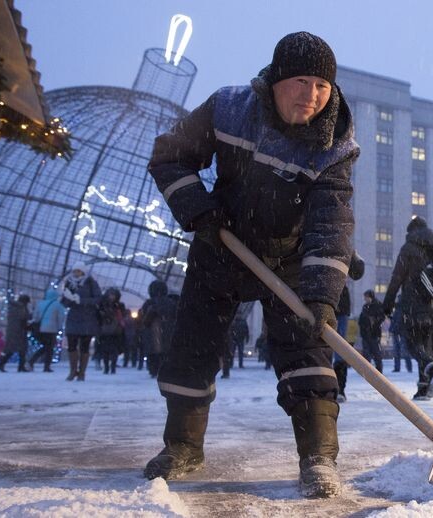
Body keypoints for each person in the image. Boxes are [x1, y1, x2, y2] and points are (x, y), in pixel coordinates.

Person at [144, 32, 358, 498]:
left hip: (290, 257)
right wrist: (197, 207)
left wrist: (321, 295)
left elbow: (331, 222)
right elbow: (168, 155)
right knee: (193, 345)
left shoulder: (334, 144)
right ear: (277, 79)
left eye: (322, 86)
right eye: (301, 81)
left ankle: (319, 457)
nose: (312, 95)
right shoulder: (229, 108)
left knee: (306, 350)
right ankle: (182, 445)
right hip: (221, 241)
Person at [382, 216, 433, 401]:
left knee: (412, 344)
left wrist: (387, 304)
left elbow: (397, 278)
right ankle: (423, 389)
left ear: (410, 232)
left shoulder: (409, 249)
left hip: (414, 306)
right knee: (425, 345)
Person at [332, 253, 365, 403]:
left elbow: (357, 272)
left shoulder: (340, 238)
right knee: (319, 348)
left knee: (340, 349)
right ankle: (325, 388)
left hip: (339, 303)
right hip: (317, 298)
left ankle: (339, 388)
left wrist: (354, 255)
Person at [59, 263, 102, 381]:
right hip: (73, 318)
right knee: (72, 345)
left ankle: (82, 372)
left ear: (83, 272)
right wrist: (67, 299)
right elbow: (65, 302)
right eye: (74, 271)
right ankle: (73, 371)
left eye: (78, 271)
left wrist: (81, 300)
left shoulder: (90, 283)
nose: (76, 273)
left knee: (84, 346)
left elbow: (98, 299)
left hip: (88, 319)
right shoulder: (70, 283)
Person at [140, 280, 177, 378]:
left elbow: (143, 318)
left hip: (152, 330)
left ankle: (153, 370)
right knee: (165, 352)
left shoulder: (149, 303)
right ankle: (164, 369)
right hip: (167, 331)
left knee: (153, 352)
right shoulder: (170, 303)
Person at [28, 287, 67, 372]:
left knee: (46, 347)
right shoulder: (58, 305)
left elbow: (36, 317)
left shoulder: (40, 303)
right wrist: (59, 327)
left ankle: (32, 361)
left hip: (41, 329)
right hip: (52, 329)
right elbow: (61, 317)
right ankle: (45, 366)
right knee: (49, 348)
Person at [0, 294, 31, 373]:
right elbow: (23, 319)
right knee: (21, 350)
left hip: (12, 330)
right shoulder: (21, 308)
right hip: (19, 331)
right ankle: (19, 366)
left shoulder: (13, 307)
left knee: (12, 349)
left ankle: (2, 364)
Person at [97, 288, 126, 375]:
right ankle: (106, 367)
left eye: (113, 295)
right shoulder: (103, 304)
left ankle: (112, 367)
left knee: (114, 350)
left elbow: (122, 316)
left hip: (115, 331)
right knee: (106, 350)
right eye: (110, 295)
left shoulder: (119, 306)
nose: (112, 297)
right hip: (106, 331)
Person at [358, 290, 385, 372]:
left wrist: (374, 322)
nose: (365, 299)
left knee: (376, 353)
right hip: (366, 333)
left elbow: (381, 318)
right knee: (366, 353)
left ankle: (378, 370)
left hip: (374, 333)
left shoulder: (378, 305)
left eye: (366, 297)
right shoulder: (365, 306)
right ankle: (367, 371)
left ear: (370, 297)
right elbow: (361, 319)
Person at [388, 305, 412, 372]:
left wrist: (392, 329)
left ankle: (404, 367)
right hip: (398, 332)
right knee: (399, 351)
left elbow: (396, 321)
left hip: (401, 333)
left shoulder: (402, 310)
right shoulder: (398, 310)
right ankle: (403, 367)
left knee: (401, 351)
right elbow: (394, 320)